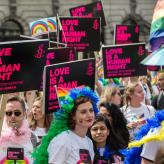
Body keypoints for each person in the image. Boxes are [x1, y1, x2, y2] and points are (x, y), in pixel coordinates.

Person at [32, 87, 99, 164]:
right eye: (83, 112)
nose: (89, 115)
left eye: (91, 110)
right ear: (73, 116)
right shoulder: (63, 140)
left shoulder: (89, 142)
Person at [0, 96, 37, 163]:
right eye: (9, 113)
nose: (13, 116)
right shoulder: (0, 136)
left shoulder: (33, 138)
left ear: (24, 114)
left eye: (17, 113)